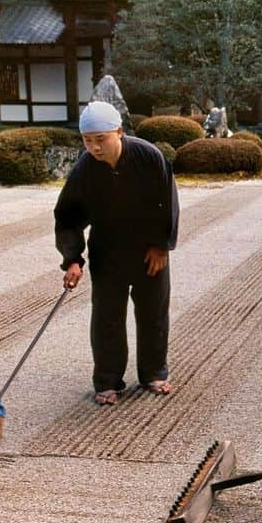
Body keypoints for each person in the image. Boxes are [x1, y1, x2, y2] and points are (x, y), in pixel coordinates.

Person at [55, 100, 179, 405]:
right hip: (107, 250)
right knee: (107, 317)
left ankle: (153, 372)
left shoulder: (148, 157)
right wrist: (72, 258)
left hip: (149, 250)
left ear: (119, 132)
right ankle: (108, 380)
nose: (95, 148)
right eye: (88, 141)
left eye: (101, 139)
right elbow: (68, 215)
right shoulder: (85, 169)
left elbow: (167, 203)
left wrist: (161, 246)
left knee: (153, 312)